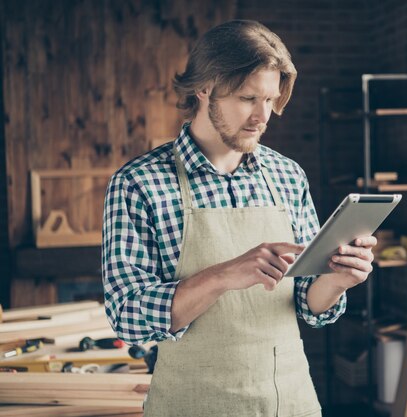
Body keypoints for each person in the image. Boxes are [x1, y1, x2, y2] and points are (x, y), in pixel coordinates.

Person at [102, 20, 377, 417]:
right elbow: (128, 317)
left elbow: (305, 301)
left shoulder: (287, 175)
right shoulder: (139, 183)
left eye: (270, 99)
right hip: (190, 406)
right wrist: (223, 276)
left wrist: (337, 279)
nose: (262, 116)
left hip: (290, 403)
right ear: (204, 88)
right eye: (248, 98)